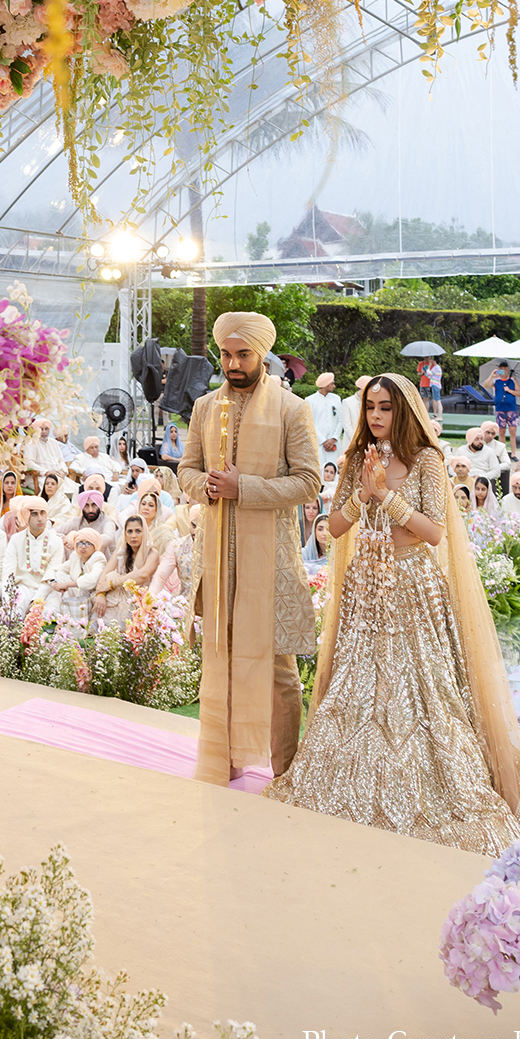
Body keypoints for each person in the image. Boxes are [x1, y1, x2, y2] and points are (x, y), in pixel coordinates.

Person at [266, 373, 520, 849]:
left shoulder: (426, 460)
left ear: (402, 411)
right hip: (366, 587)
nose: (376, 416)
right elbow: (336, 527)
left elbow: (435, 532)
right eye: (370, 408)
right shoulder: (355, 459)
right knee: (358, 685)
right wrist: (363, 493)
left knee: (425, 688)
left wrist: (386, 496)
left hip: (413, 585)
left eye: (385, 408)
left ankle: (434, 783)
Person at [178, 310, 321, 785]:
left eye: (243, 355)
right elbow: (187, 472)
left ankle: (287, 774)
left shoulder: (292, 409)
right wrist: (209, 489)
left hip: (271, 563)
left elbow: (309, 483)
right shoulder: (203, 408)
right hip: (218, 558)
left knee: (280, 673)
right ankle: (226, 759)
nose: (233, 364)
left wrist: (248, 489)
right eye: (226, 354)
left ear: (263, 356)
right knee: (221, 659)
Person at [0, 498, 63, 616]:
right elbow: (8, 572)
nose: (40, 518)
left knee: (48, 615)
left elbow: (51, 574)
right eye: (34, 514)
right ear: (26, 518)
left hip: (47, 591)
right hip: (23, 588)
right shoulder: (16, 539)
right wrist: (8, 600)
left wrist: (36, 600)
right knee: (11, 614)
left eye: (42, 513)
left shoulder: (56, 542)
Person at [94, 513, 158, 628]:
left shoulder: (152, 553)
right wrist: (100, 594)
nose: (133, 536)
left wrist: (112, 584)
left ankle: (113, 629)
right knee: (110, 576)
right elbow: (105, 572)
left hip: (140, 600)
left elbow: (143, 575)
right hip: (118, 597)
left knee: (112, 578)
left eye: (138, 531)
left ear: (145, 533)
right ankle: (104, 629)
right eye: (130, 531)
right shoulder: (121, 551)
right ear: (125, 534)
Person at [45, 530, 106, 626]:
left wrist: (66, 584)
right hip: (75, 597)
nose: (83, 546)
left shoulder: (98, 558)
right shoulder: (76, 556)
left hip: (91, 598)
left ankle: (63, 616)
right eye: (80, 543)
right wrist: (53, 583)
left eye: (88, 543)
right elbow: (55, 570)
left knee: (62, 578)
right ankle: (57, 614)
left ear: (95, 546)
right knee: (59, 575)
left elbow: (92, 580)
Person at [57, 478, 117, 546]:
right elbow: (55, 531)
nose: (90, 510)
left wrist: (79, 539)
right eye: (86, 506)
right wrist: (63, 538)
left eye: (94, 505)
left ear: (99, 506)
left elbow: (109, 537)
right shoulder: (78, 521)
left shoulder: (107, 521)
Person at [307, 371, 346, 463]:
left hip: (334, 443)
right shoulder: (310, 400)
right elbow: (310, 423)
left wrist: (334, 439)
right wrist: (323, 441)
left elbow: (340, 420)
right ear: (326, 384)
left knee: (335, 469)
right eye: (332, 383)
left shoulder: (336, 398)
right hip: (318, 443)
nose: (334, 386)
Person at [490, 361, 520, 453]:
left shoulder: (512, 380)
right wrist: (491, 376)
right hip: (500, 409)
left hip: (512, 409)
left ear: (507, 370)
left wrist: (510, 390)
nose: (503, 371)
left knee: (512, 432)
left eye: (504, 369)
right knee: (501, 432)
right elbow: (486, 385)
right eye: (501, 369)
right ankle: (502, 453)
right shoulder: (496, 380)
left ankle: (513, 454)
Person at [24, 417, 66, 483]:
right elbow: (29, 463)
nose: (44, 432)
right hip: (41, 477)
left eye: (46, 429)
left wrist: (63, 471)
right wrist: (46, 472)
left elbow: (61, 460)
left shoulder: (54, 442)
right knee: (55, 489)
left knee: (76, 488)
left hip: (58, 476)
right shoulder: (31, 442)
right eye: (41, 429)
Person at [337, 375, 370, 454]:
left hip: (367, 442)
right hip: (350, 441)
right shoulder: (347, 402)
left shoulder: (369, 402)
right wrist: (356, 440)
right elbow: (346, 425)